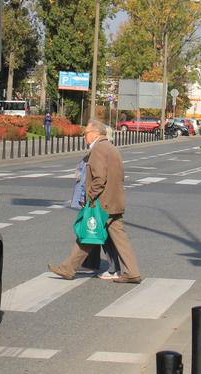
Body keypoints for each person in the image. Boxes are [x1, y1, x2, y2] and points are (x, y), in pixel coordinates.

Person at [48, 120, 142, 284]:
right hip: (115, 200)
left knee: (87, 233)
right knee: (119, 239)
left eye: (86, 133)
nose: (85, 136)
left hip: (102, 203)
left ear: (95, 133)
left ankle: (68, 268)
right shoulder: (112, 148)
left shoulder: (98, 149)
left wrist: (90, 197)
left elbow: (99, 178)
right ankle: (132, 272)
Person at [70, 153, 122, 279]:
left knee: (101, 232)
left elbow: (95, 179)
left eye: (86, 134)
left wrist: (86, 196)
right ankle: (90, 264)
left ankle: (114, 269)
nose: (85, 138)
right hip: (96, 199)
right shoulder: (97, 150)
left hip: (96, 199)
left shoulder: (98, 152)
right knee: (92, 230)